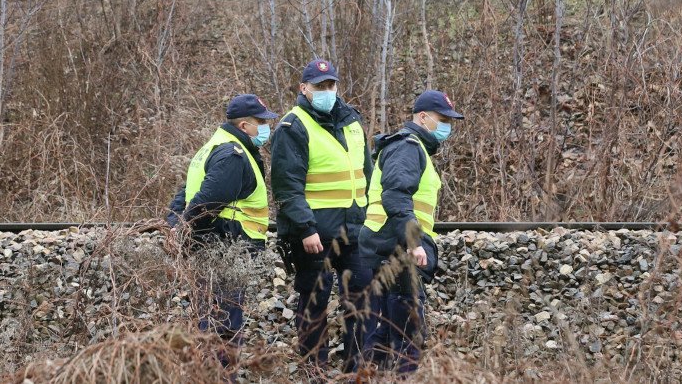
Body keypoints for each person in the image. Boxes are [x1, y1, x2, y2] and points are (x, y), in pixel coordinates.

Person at [269, 58, 372, 376]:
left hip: (354, 232)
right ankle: (315, 370)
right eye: (320, 86)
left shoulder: (351, 120)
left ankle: (356, 369)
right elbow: (287, 185)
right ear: (304, 88)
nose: (328, 91)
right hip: (315, 234)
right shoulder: (293, 125)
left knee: (362, 299)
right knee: (314, 303)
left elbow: (366, 173)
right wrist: (305, 227)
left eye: (331, 85)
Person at [167, 93, 279, 368]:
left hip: (214, 249)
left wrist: (173, 225)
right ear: (244, 126)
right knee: (223, 328)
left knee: (212, 323)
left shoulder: (214, 146)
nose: (266, 128)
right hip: (225, 250)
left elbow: (185, 195)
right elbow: (206, 202)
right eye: (261, 122)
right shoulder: (233, 154)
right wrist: (182, 231)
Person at [358, 89, 464, 375]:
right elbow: (396, 196)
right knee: (407, 333)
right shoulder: (407, 147)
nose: (447, 127)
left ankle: (366, 376)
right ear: (422, 117)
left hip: (391, 247)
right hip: (396, 249)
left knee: (390, 331)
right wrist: (413, 242)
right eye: (443, 119)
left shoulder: (413, 147)